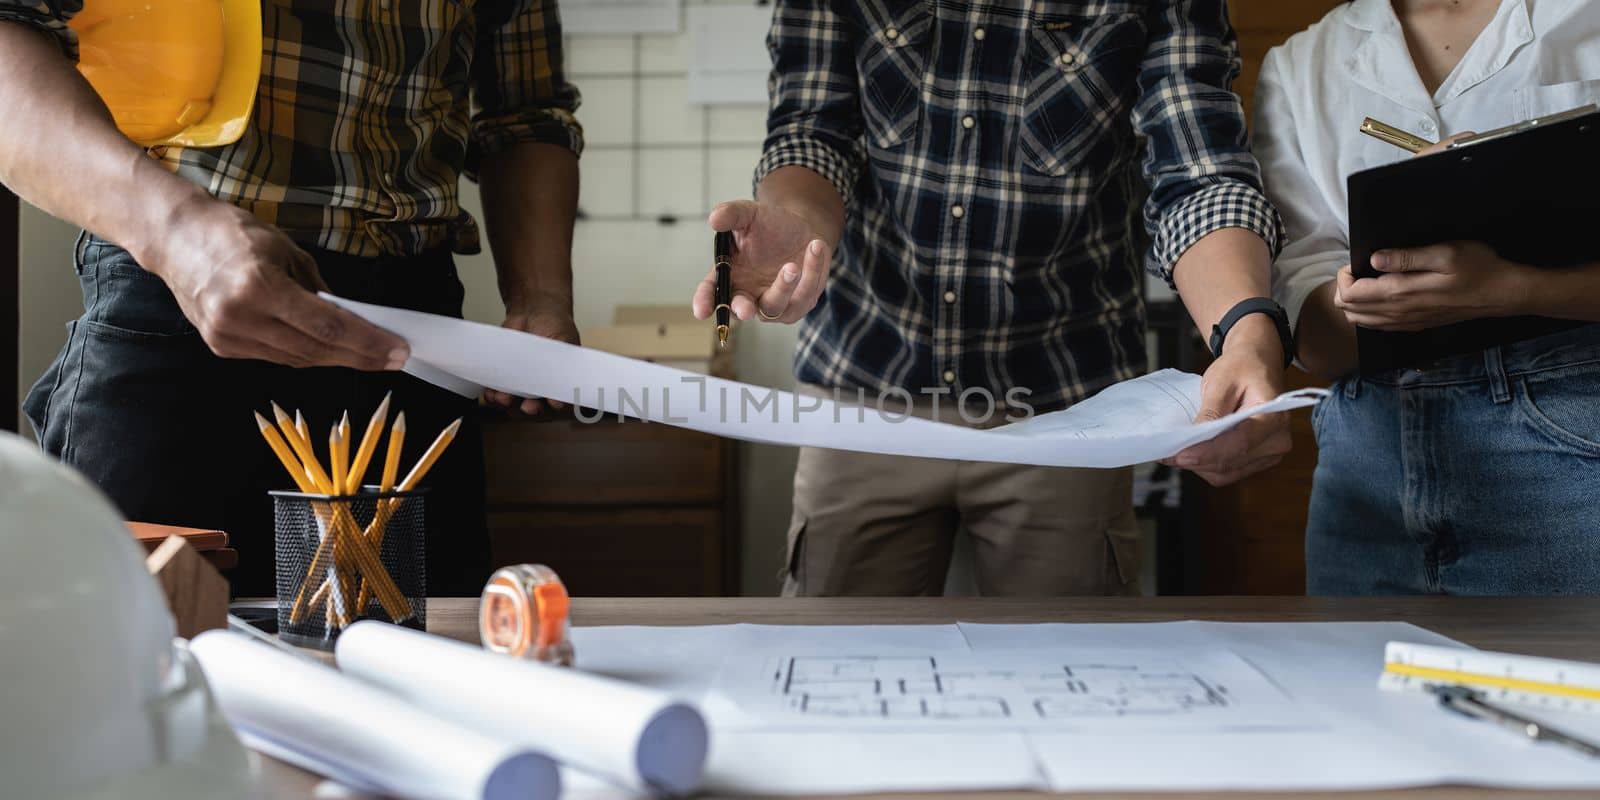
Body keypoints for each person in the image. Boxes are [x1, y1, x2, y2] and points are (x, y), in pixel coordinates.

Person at [693, 1, 1297, 597]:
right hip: (866, 388)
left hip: (1068, 406)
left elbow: (1198, 169)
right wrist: (797, 226)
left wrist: (1246, 330)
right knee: (832, 668)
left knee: (1076, 673)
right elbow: (813, 129)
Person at [0, 0, 584, 596]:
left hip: (417, 343)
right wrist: (175, 230)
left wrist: (540, 296)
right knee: (136, 655)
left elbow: (526, 112)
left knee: (423, 659)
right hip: (179, 296)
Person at [1255, 0, 1600, 595]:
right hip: (1366, 458)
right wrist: (1366, 301)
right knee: (1355, 684)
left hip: (1571, 445)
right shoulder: (1300, 65)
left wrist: (1515, 290)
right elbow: (1315, 334)